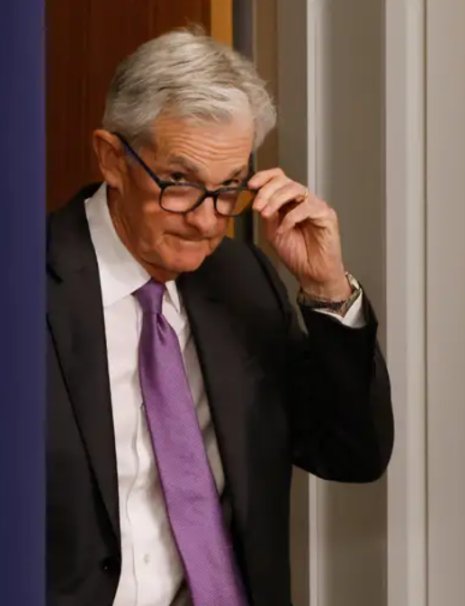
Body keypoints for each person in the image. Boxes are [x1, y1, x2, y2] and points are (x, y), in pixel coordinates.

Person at [46, 28, 394, 606]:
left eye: (229, 188)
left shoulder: (241, 279)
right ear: (112, 158)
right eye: (180, 183)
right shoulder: (16, 290)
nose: (208, 221)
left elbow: (351, 452)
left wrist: (327, 289)